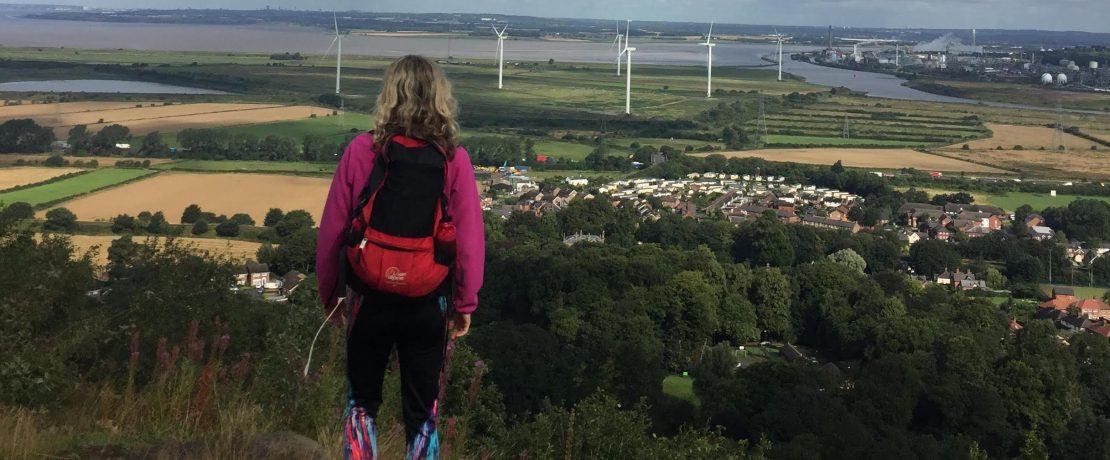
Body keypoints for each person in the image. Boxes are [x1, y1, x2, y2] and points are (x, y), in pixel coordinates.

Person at [316, 55, 485, 460]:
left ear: (389, 95)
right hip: (429, 299)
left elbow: (333, 230)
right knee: (422, 411)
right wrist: (464, 303)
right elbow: (469, 240)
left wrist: (332, 296)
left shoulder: (362, 150)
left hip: (368, 295)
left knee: (362, 402)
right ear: (439, 98)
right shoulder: (452, 160)